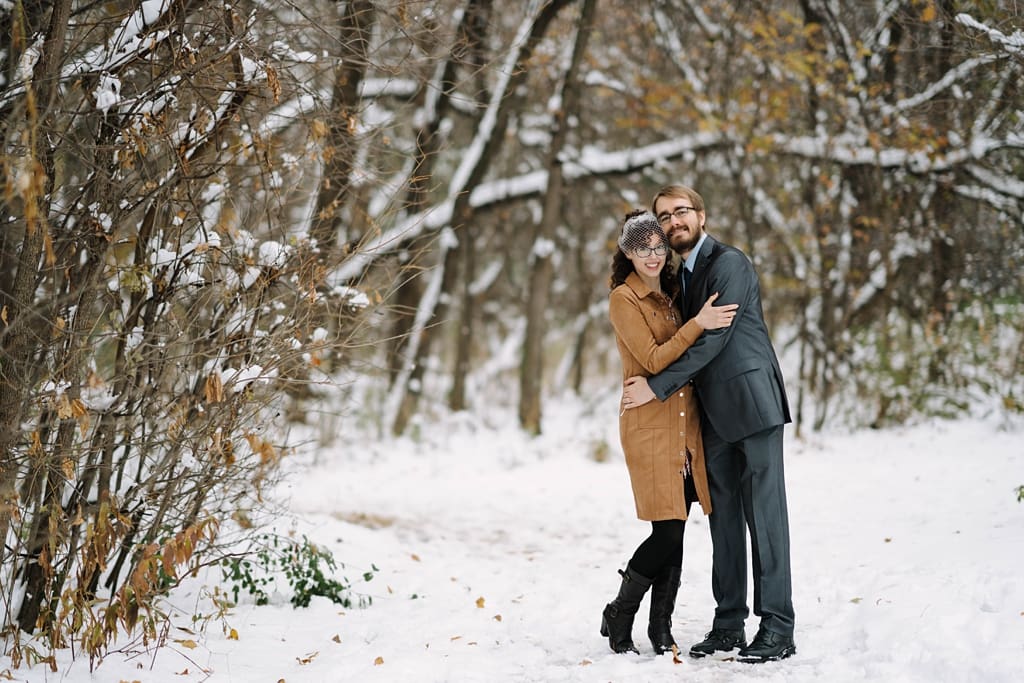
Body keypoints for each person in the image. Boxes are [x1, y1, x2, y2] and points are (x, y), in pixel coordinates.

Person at [621, 185, 796, 663]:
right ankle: (728, 624)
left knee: (765, 519)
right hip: (712, 417)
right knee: (722, 522)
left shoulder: (729, 263)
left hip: (753, 405)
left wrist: (656, 387)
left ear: (701, 214)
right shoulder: (680, 275)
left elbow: (712, 340)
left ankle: (778, 627)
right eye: (664, 216)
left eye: (681, 212)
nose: (674, 221)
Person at [601, 209, 737, 656]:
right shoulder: (625, 299)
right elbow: (657, 359)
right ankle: (619, 615)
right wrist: (699, 323)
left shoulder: (676, 293)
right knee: (665, 531)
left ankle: (661, 629)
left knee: (675, 528)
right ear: (628, 253)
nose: (654, 255)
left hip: (684, 424)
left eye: (659, 246)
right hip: (648, 425)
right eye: (643, 249)